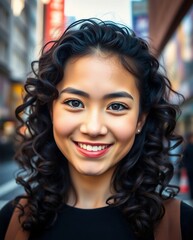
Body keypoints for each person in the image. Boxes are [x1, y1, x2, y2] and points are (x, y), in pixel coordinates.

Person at [0, 18, 192, 240]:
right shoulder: (13, 221)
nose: (93, 128)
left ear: (140, 120)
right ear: (51, 111)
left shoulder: (180, 225)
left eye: (117, 106)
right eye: (74, 103)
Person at [182, 132, 193, 202]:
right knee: (191, 182)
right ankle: (192, 195)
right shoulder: (188, 147)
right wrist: (184, 167)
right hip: (190, 169)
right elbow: (184, 159)